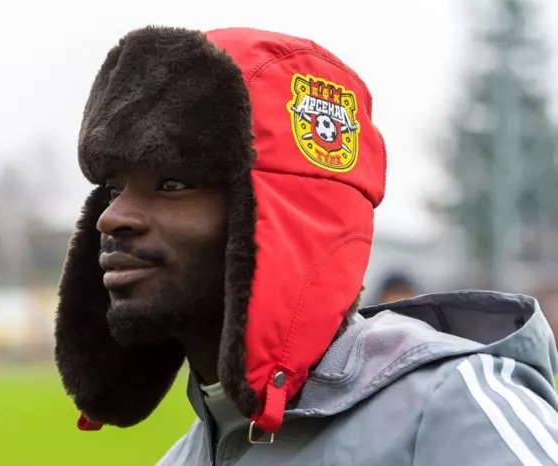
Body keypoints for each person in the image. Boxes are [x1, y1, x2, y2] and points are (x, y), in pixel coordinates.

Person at [55, 26, 558, 465]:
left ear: (283, 221)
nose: (112, 217)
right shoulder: (181, 458)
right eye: (114, 189)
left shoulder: (453, 410)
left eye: (172, 184)